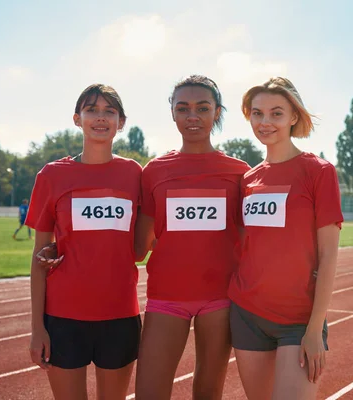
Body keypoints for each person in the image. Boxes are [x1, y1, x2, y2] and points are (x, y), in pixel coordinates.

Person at [134, 75, 250, 400]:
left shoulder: (240, 172)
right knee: (149, 392)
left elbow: (252, 239)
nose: (192, 116)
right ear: (172, 113)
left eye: (202, 108)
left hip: (221, 297)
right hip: (167, 295)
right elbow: (137, 248)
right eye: (183, 108)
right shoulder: (154, 171)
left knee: (208, 392)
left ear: (217, 112)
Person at [228, 77, 343, 400]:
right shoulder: (248, 179)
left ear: (294, 117)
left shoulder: (318, 172)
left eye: (276, 113)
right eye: (257, 113)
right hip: (247, 313)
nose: (265, 122)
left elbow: (329, 256)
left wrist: (314, 329)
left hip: (298, 320)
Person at [26, 84, 142, 400]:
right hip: (63, 318)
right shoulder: (52, 175)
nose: (100, 118)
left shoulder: (134, 174)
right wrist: (37, 329)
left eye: (110, 111)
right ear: (78, 119)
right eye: (92, 110)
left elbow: (144, 242)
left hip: (119, 315)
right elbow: (39, 256)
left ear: (122, 121)